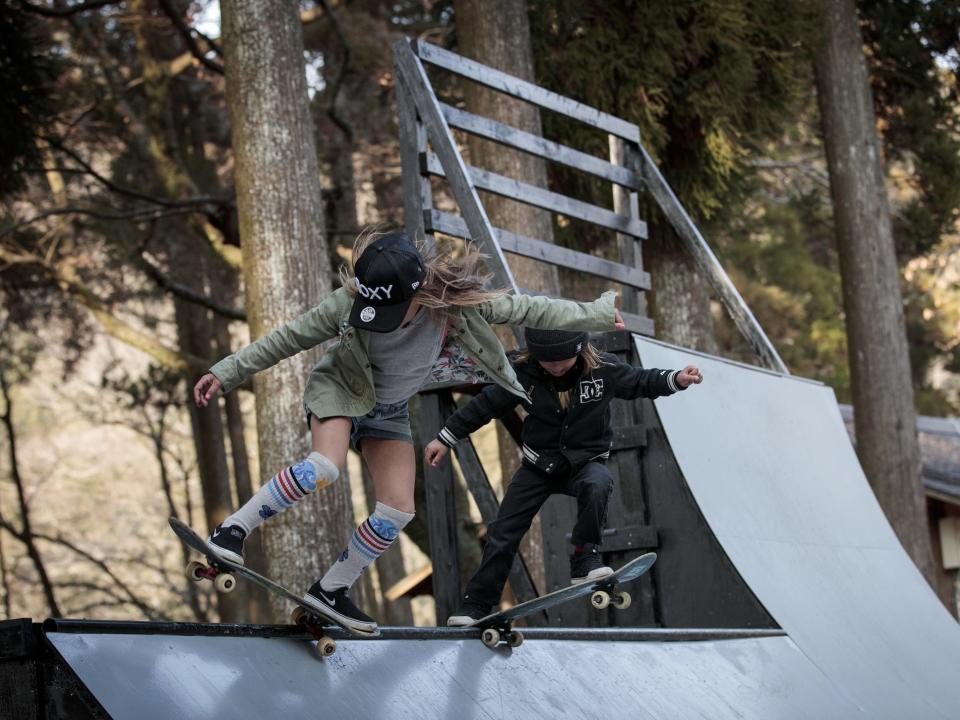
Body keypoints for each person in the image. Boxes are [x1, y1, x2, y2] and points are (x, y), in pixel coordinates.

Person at [192, 229, 625, 634]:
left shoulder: (458, 307)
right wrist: (227, 371)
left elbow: (533, 308)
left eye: (391, 312)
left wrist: (598, 313)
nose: (380, 319)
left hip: (390, 410)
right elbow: (288, 338)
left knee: (398, 509)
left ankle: (330, 591)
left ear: (419, 292)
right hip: (340, 393)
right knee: (324, 467)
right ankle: (231, 531)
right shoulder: (346, 305)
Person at [423, 327, 703, 626]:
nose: (556, 368)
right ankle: (476, 605)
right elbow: (484, 406)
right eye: (548, 363)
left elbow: (639, 381)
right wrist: (445, 438)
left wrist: (676, 379)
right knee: (502, 532)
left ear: (579, 352)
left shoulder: (602, 368)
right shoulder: (521, 373)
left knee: (599, 483)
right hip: (537, 468)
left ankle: (585, 558)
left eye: (563, 362)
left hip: (584, 463)